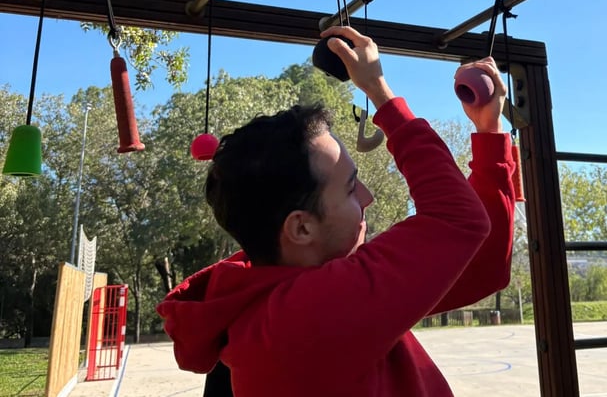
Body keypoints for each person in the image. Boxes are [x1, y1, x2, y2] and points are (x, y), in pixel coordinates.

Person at [157, 25, 517, 397]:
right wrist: (379, 91)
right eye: (350, 187)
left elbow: (482, 266)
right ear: (301, 229)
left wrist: (488, 131)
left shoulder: (299, 295)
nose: (367, 197)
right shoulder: (303, 317)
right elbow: (458, 219)